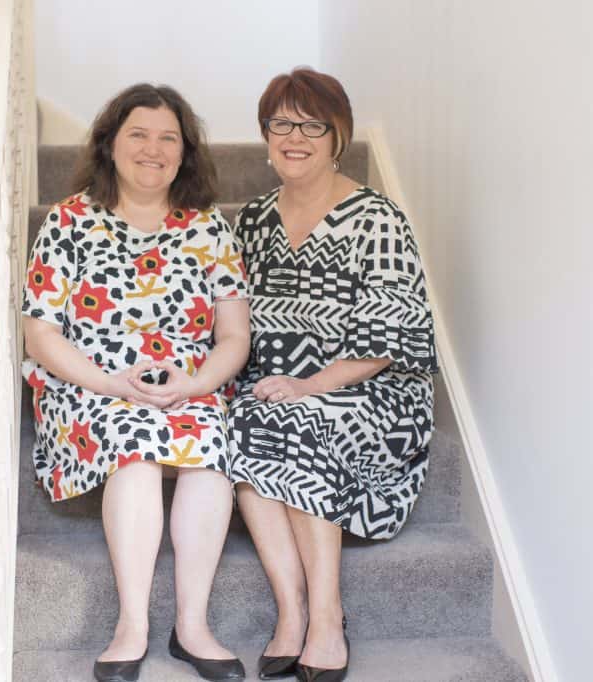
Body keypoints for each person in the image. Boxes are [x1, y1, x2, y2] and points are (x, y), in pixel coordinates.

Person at [22, 83, 250, 682]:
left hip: (186, 384)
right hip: (90, 384)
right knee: (135, 452)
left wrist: (196, 382)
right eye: (138, 135)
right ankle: (132, 623)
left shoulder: (208, 229)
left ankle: (193, 627)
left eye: (168, 138)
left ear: (185, 152)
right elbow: (41, 333)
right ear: (110, 145)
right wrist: (112, 383)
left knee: (209, 450)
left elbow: (233, 338)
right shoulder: (68, 221)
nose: (154, 149)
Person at [228, 67, 437, 682]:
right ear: (266, 135)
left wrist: (308, 385)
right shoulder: (253, 221)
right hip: (277, 387)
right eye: (281, 123)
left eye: (311, 123)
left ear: (338, 133)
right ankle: (290, 612)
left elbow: (385, 343)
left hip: (372, 391)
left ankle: (327, 616)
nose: (295, 136)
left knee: (299, 420)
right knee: (237, 421)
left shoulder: (377, 219)